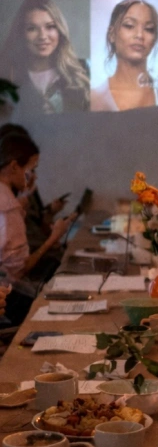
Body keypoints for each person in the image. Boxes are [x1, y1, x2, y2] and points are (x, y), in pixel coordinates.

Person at [0, 131, 74, 323]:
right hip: (10, 298)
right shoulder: (9, 206)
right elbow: (20, 270)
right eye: (30, 169)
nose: (33, 176)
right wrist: (54, 237)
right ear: (14, 166)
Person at [91, 0, 158, 111]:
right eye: (129, 26)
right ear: (112, 35)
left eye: (148, 29)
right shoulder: (96, 99)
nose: (140, 35)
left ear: (155, 39)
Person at [1, 0, 90, 113]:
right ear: (21, 34)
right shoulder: (7, 75)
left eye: (50, 27)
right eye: (32, 28)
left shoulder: (84, 71)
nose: (42, 36)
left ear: (60, 30)